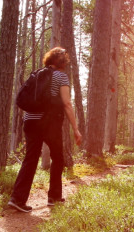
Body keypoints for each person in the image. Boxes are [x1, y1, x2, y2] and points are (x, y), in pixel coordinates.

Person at [8, 47, 82, 213]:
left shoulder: (37, 74)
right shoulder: (61, 76)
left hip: (30, 121)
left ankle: (17, 199)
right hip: (48, 123)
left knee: (31, 159)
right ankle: (54, 197)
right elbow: (67, 104)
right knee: (58, 156)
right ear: (62, 62)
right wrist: (76, 129)